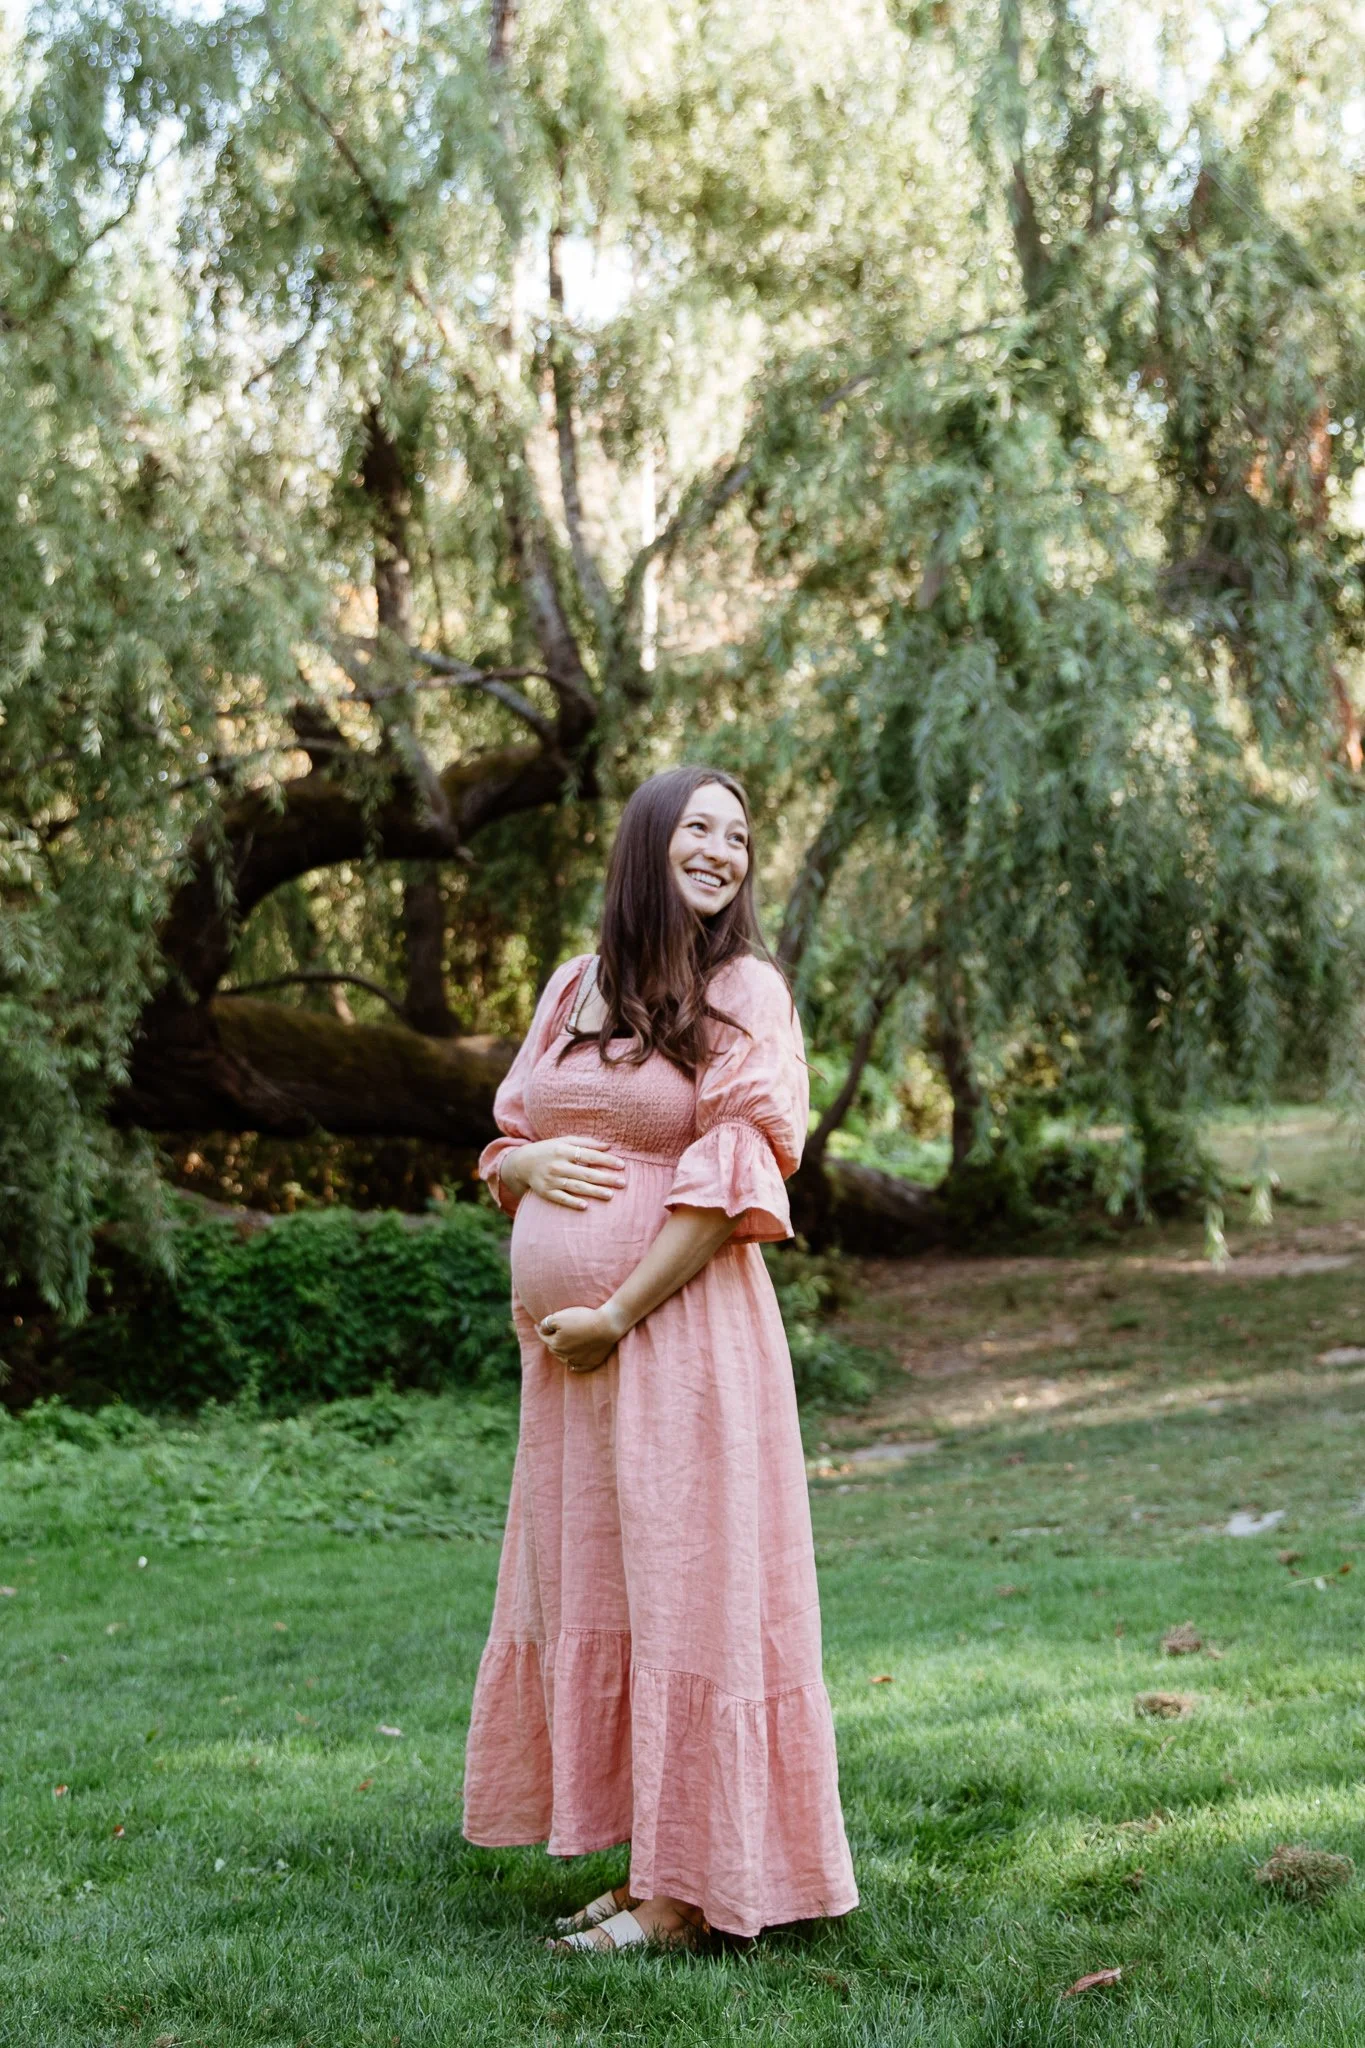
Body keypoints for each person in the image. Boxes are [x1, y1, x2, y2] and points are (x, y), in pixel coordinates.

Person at [462, 764, 857, 1953]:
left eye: (740, 834)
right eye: (700, 826)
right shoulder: (572, 984)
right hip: (574, 1369)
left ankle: (687, 1896)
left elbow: (738, 1174)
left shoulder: (745, 990)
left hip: (676, 1334)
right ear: (647, 840)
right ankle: (653, 1861)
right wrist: (521, 1166)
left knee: (689, 1590)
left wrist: (617, 1308)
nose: (724, 849)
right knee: (613, 1588)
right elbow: (513, 1131)